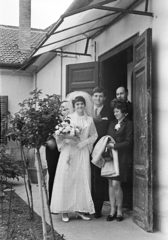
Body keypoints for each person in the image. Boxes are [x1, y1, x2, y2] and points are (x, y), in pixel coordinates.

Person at [50, 94, 98, 222]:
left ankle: (80, 210)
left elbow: (94, 135)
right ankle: (65, 211)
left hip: (82, 152)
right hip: (70, 152)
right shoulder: (69, 118)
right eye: (77, 104)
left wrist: (84, 143)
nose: (80, 106)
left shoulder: (89, 120)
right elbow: (59, 134)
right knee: (67, 178)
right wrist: (67, 140)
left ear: (85, 105)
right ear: (74, 106)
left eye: (82, 104)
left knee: (82, 179)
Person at [106, 99, 133, 222]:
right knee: (111, 183)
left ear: (123, 112)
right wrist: (108, 145)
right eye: (114, 111)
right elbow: (108, 137)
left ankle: (120, 210)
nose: (115, 113)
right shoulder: (112, 124)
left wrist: (115, 146)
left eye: (117, 111)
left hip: (122, 157)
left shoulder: (128, 124)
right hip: (111, 157)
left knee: (117, 183)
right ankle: (112, 210)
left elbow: (128, 142)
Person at [91, 86, 111, 218]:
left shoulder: (108, 112)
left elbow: (109, 131)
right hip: (87, 148)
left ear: (104, 98)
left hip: (100, 149)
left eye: (100, 96)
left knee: (98, 179)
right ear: (92, 97)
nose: (98, 98)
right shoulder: (87, 111)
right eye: (96, 96)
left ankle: (97, 209)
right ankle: (87, 206)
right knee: (87, 177)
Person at [46, 101, 69, 205]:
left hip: (65, 151)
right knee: (53, 174)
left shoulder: (70, 121)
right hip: (52, 151)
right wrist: (49, 140)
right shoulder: (52, 121)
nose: (63, 111)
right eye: (62, 109)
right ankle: (52, 202)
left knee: (64, 176)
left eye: (65, 109)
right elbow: (45, 134)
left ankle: (63, 202)